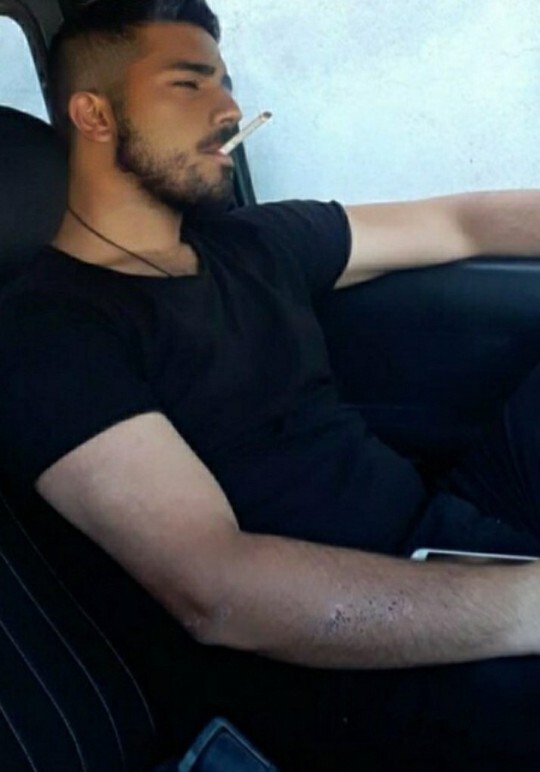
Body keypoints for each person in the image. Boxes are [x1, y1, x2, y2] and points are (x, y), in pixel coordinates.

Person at [1, 0, 540, 768]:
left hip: (441, 534)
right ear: (95, 115)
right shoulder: (48, 331)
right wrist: (525, 605)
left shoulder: (251, 243)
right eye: (189, 84)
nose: (228, 109)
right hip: (343, 666)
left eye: (225, 82)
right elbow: (218, 589)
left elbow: (463, 224)